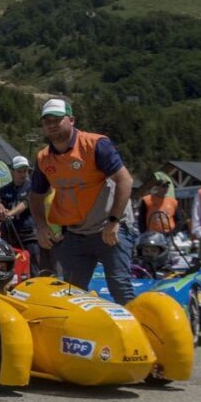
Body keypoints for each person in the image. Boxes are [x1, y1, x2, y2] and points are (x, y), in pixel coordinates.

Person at [28, 98, 136, 305]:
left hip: (110, 228)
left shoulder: (95, 145)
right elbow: (35, 195)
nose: (51, 124)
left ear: (71, 120)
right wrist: (41, 226)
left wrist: (113, 221)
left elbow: (125, 180)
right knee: (70, 292)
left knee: (120, 288)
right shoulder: (43, 158)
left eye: (57, 119)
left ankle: (140, 334)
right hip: (76, 232)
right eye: (46, 121)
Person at [0, 156, 40, 277]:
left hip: (28, 236)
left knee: (32, 269)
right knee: (9, 268)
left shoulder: (32, 187)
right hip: (8, 237)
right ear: (12, 171)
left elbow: (25, 204)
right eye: (19, 171)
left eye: (25, 171)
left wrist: (9, 213)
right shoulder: (4, 189)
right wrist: (1, 208)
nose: (22, 174)